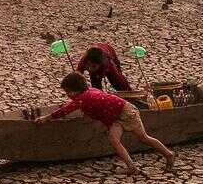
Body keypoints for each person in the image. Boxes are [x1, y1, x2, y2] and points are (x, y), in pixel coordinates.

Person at [36, 72, 174, 175]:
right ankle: (132, 167)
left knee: (144, 138)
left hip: (126, 112)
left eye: (67, 92)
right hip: (116, 118)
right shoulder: (89, 92)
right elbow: (91, 108)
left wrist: (46, 118)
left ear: (74, 91)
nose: (67, 95)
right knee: (114, 140)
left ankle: (168, 154)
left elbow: (65, 110)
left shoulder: (83, 98)